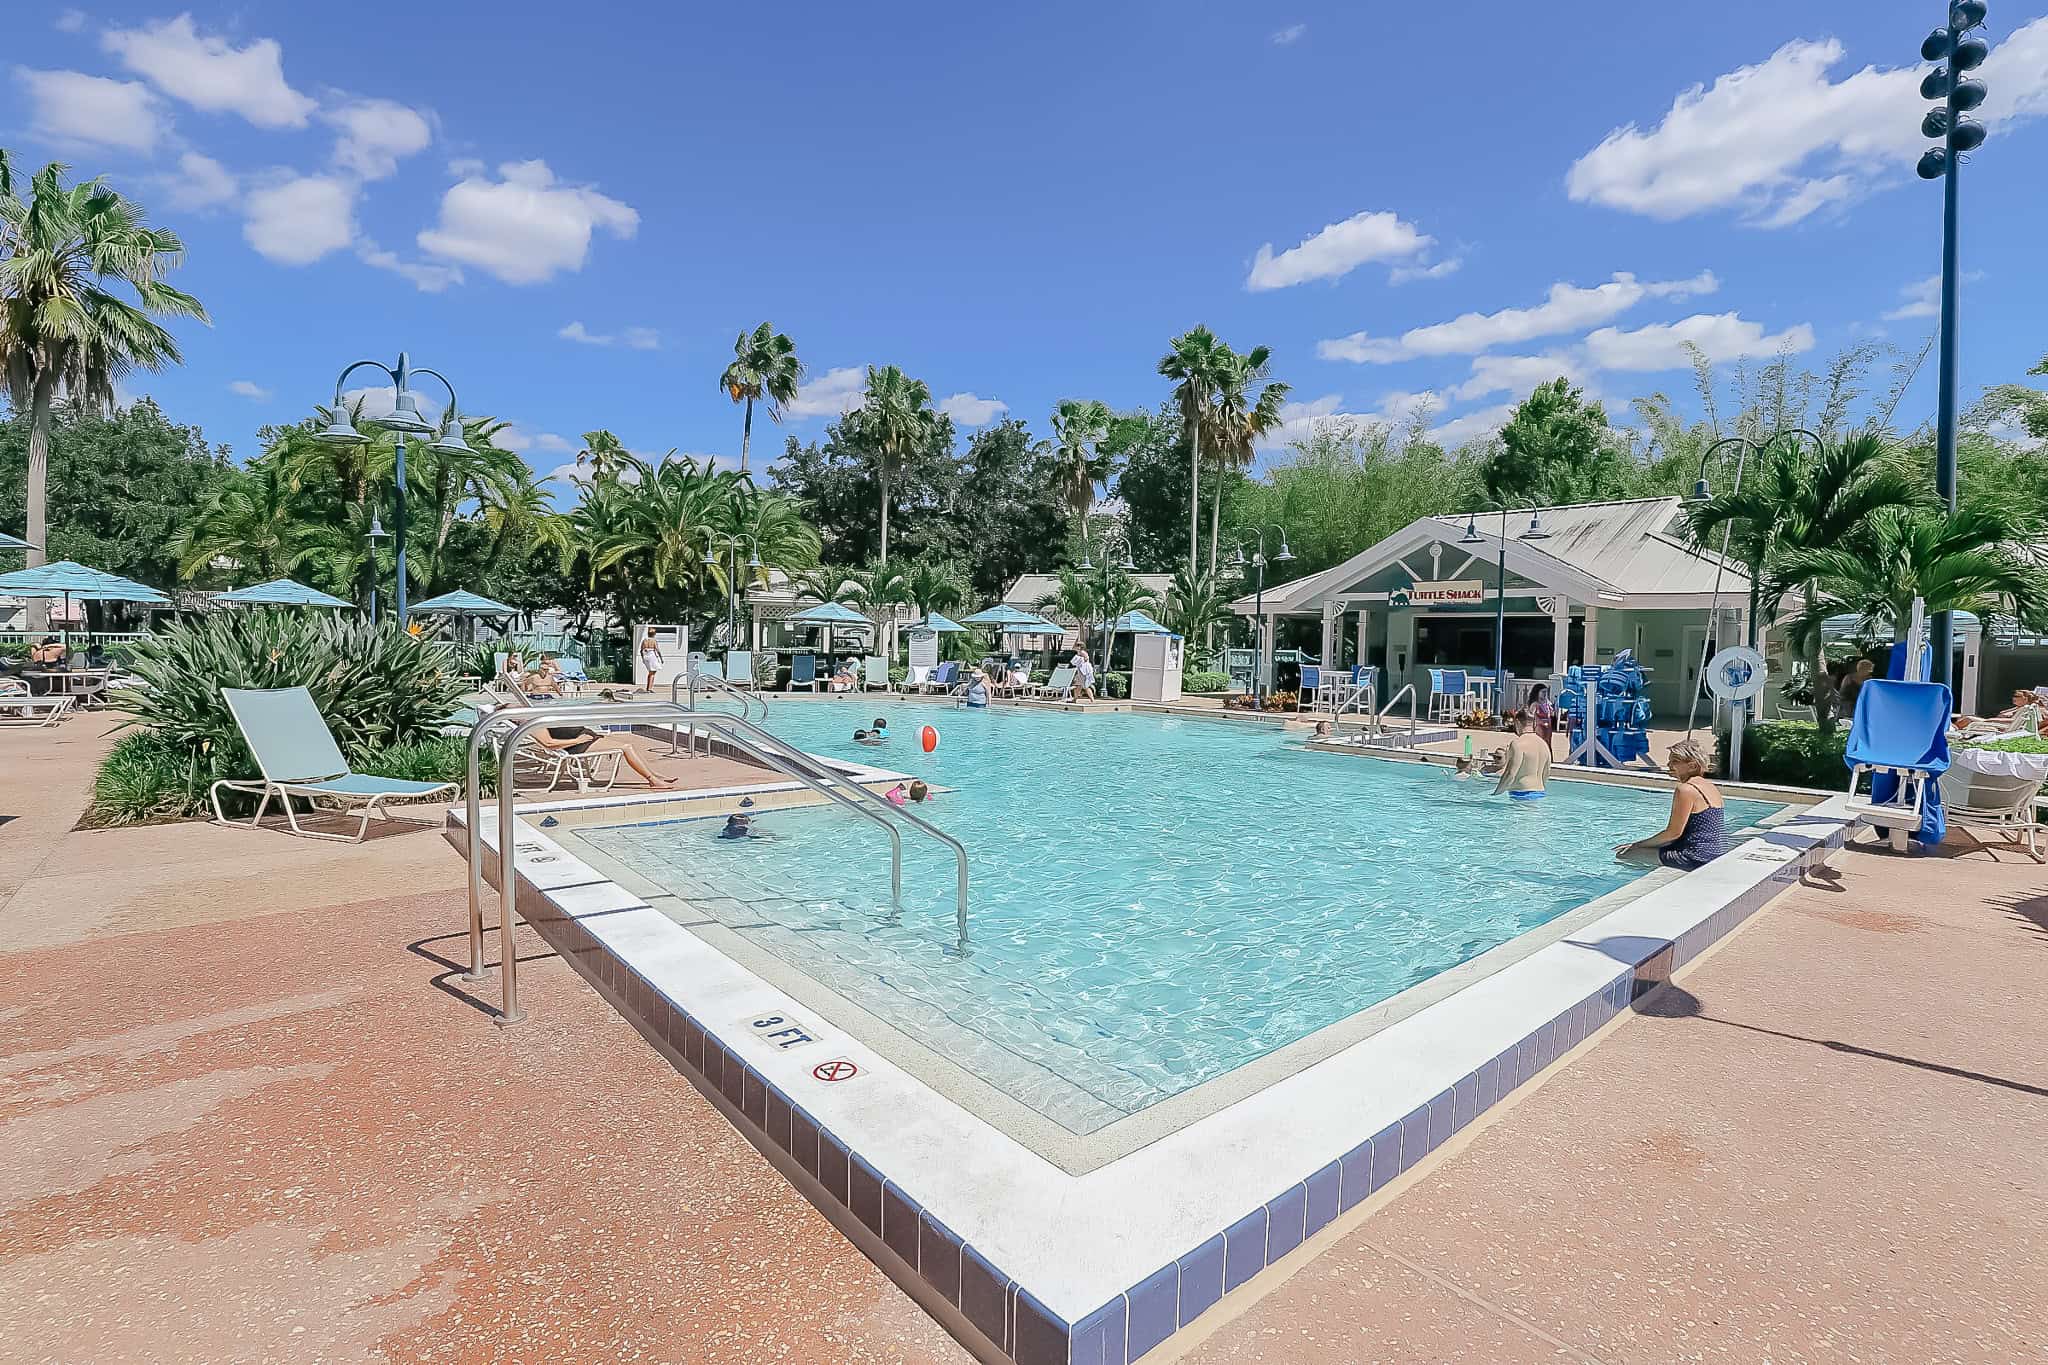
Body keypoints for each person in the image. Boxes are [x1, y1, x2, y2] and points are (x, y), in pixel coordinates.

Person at [1616, 738, 1726, 869]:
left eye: (1675, 761)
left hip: (1695, 857)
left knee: (1624, 854)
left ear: (1692, 766)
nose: (1669, 765)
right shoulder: (1710, 786)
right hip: (1714, 854)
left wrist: (1637, 845)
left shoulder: (1686, 789)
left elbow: (1673, 833)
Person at [528, 725, 678, 789]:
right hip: (577, 746)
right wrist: (577, 740)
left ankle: (655, 775)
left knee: (628, 745)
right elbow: (548, 743)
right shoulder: (533, 724)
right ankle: (652, 780)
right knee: (626, 747)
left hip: (583, 738)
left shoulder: (533, 718)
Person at [1492, 710, 1550, 801]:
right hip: (1540, 793)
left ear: (1517, 722)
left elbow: (1510, 773)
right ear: (1533, 723)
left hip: (1521, 794)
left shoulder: (1518, 744)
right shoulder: (1543, 744)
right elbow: (1546, 773)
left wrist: (1495, 794)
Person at [1527, 683, 1557, 754]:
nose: (1545, 694)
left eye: (1546, 692)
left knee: (1548, 744)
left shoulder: (1547, 703)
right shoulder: (1535, 704)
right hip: (1540, 727)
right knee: (1541, 744)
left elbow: (1551, 713)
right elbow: (1530, 716)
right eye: (1543, 692)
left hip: (1548, 727)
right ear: (1538, 692)